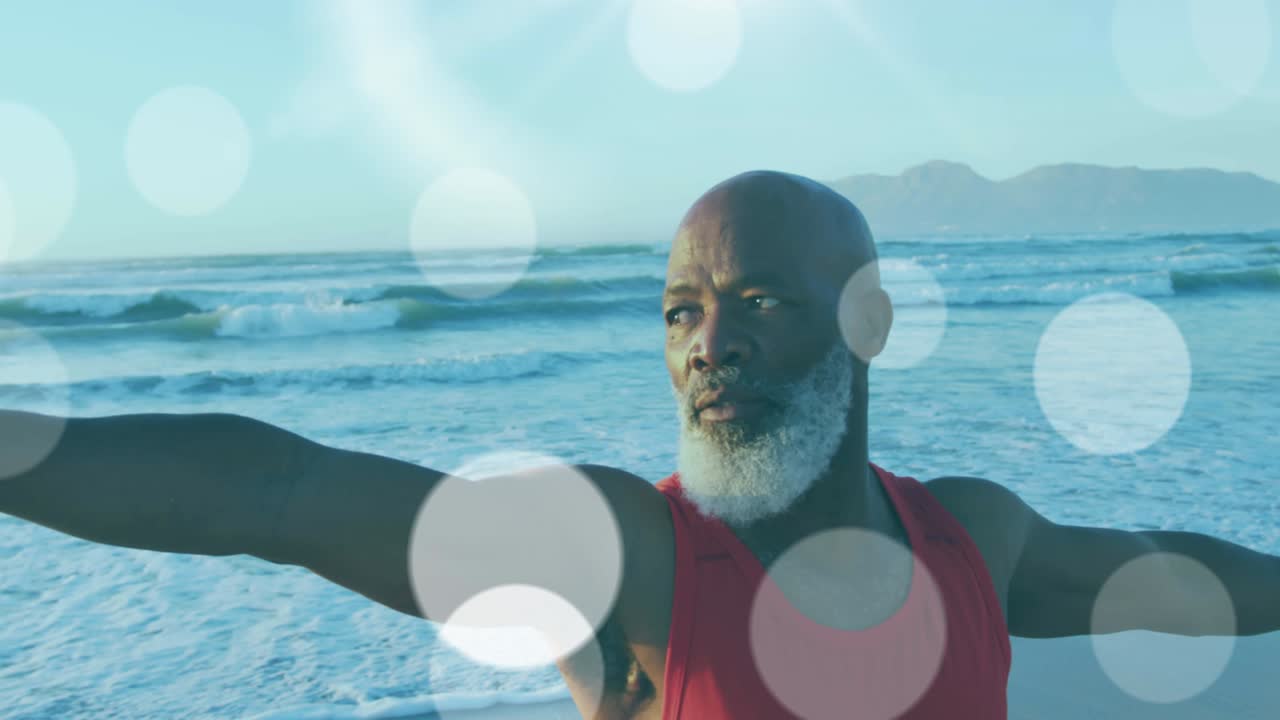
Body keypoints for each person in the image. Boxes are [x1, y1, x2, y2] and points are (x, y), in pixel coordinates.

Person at [1, 170, 1276, 719]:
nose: (704, 343)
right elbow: (275, 490)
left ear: (867, 321)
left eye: (759, 301)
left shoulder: (973, 542)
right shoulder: (622, 558)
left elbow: (1186, 576)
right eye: (679, 309)